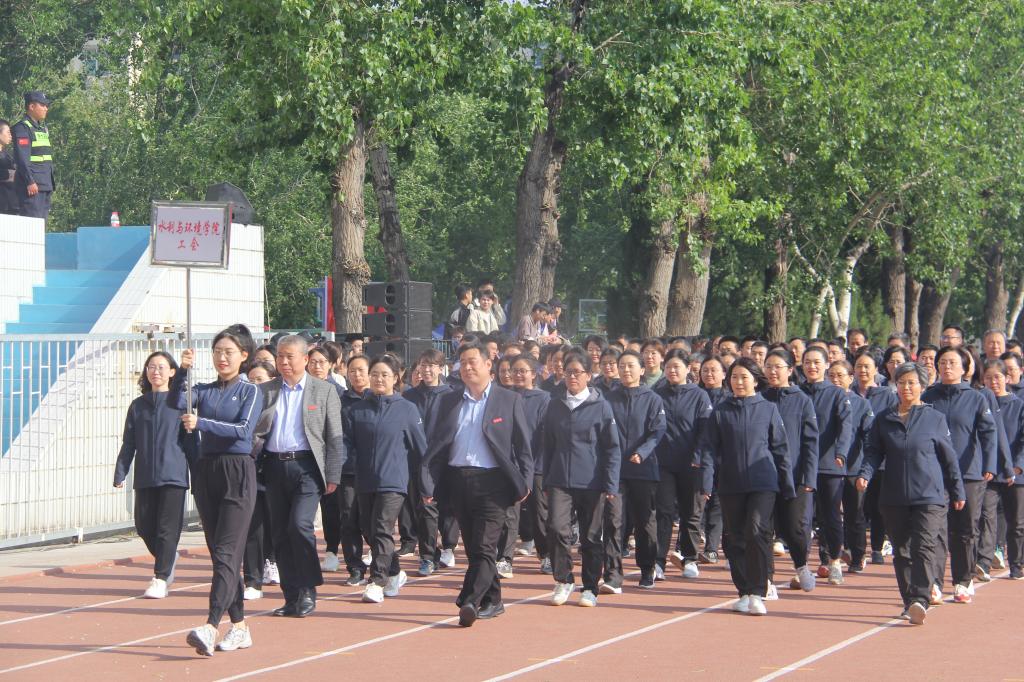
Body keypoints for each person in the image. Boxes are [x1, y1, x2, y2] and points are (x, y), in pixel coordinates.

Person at [420, 342, 533, 627]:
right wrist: (429, 481)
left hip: (494, 483)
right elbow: (437, 445)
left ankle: (469, 600)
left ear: (488, 364)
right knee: (473, 547)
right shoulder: (449, 400)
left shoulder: (508, 399)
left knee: (484, 545)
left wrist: (526, 482)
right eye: (463, 362)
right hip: (458, 480)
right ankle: (494, 600)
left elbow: (523, 447)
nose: (467, 367)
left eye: (473, 361)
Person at [856, 363, 966, 625]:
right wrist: (865, 474)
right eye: (902, 382)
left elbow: (949, 458)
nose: (906, 387)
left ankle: (920, 598)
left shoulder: (934, 418)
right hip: (894, 496)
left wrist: (957, 489)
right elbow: (873, 452)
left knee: (924, 547)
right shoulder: (883, 419)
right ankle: (910, 602)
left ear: (922, 386)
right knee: (902, 551)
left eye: (912, 382)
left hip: (929, 496)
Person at [176, 327, 263, 656]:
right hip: (207, 472)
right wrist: (182, 372)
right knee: (221, 556)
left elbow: (243, 431)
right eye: (217, 352)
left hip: (237, 472)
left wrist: (202, 424)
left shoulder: (250, 391)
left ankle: (210, 625)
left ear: (244, 356)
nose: (222, 358)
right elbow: (176, 402)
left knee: (227, 553)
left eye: (229, 352)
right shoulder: (203, 390)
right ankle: (239, 627)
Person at [254, 335, 344, 618]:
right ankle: (291, 596)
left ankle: (308, 589)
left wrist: (333, 474)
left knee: (300, 525)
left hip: (307, 467)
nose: (283, 361)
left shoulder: (324, 391)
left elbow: (334, 436)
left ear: (305, 359)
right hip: (273, 466)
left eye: (289, 356)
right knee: (280, 532)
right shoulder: (265, 390)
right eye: (279, 356)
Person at [705, 357, 794, 616]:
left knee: (756, 530)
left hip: (762, 482)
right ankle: (743, 591)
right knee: (734, 537)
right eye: (734, 377)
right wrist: (707, 481)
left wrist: (787, 484)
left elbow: (780, 449)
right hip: (731, 484)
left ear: (755, 380)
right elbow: (709, 449)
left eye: (744, 377)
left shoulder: (768, 409)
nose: (739, 382)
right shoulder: (720, 411)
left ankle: (758, 590)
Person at [345, 355, 427, 603]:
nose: (379, 379)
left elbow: (420, 449)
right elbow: (346, 445)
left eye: (384, 375)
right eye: (375, 374)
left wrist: (425, 484)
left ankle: (376, 581)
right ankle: (394, 572)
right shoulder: (356, 410)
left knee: (382, 527)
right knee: (369, 530)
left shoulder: (407, 409)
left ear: (395, 378)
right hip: (365, 480)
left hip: (393, 480)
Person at [542, 350, 621, 607]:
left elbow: (612, 448)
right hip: (559, 480)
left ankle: (590, 587)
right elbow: (548, 445)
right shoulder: (555, 405)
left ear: (589, 375)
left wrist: (610, 483)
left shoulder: (601, 406)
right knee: (556, 528)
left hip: (592, 482)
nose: (572, 377)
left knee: (591, 536)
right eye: (568, 372)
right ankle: (564, 579)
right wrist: (546, 478)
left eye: (577, 372)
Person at [921, 346, 999, 604]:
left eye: (952, 363)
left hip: (969, 473)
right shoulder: (928, 396)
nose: (946, 367)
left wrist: (989, 464)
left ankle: (963, 581)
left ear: (965, 368)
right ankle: (933, 582)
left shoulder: (976, 398)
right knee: (935, 529)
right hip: (936, 473)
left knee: (965, 529)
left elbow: (989, 433)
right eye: (942, 362)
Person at [114, 351, 190, 600]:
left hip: (174, 475)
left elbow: (191, 441)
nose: (155, 371)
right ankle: (168, 557)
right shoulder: (138, 405)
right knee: (144, 526)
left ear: (172, 372)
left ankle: (160, 578)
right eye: (151, 367)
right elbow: (129, 442)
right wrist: (121, 471)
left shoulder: (180, 403)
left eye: (161, 367)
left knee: (167, 529)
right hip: (146, 475)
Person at [603, 350, 666, 590]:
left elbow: (658, 430)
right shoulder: (608, 399)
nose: (626, 370)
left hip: (643, 469)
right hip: (614, 470)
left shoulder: (653, 399)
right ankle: (612, 574)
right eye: (622, 366)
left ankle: (647, 568)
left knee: (644, 521)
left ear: (641, 370)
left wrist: (643, 452)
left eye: (631, 366)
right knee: (613, 520)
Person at [654, 349, 713, 580]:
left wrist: (698, 457)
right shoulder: (657, 393)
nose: (672, 371)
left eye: (677, 366)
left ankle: (690, 558)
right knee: (664, 512)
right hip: (664, 464)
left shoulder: (700, 396)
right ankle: (658, 561)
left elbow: (705, 431)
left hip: (692, 464)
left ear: (688, 368)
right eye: (668, 367)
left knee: (691, 513)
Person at [762, 349, 818, 594]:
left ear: (790, 370)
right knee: (763, 528)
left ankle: (801, 565)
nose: (772, 371)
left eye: (778, 367)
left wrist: (809, 477)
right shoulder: (760, 398)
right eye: (768, 366)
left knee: (795, 528)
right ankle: (766, 578)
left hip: (795, 476)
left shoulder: (802, 400)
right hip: (764, 476)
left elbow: (810, 442)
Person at [801, 345, 853, 585]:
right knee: (803, 518)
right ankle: (802, 564)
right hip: (801, 465)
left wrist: (841, 452)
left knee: (830, 515)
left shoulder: (836, 394)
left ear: (825, 365)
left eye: (816, 362)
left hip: (829, 463)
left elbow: (845, 427)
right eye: (807, 362)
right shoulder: (797, 392)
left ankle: (833, 560)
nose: (812, 366)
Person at [403, 349, 458, 577]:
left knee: (448, 506)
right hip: (418, 460)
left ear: (440, 368)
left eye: (431, 365)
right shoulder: (409, 396)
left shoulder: (451, 395)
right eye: (423, 365)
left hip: (445, 459)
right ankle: (427, 556)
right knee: (424, 508)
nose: (426, 370)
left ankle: (449, 545)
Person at [978, 358, 1023, 580]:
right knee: (987, 517)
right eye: (988, 378)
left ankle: (1016, 563)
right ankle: (984, 562)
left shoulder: (1018, 405)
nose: (993, 382)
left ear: (1007, 378)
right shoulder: (980, 404)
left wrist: (1017, 467)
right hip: (989, 472)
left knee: (1017, 521)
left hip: (1016, 474)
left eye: (997, 377)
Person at [828, 360, 874, 573]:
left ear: (850, 378)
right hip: (828, 467)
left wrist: (865, 468)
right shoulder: (823, 401)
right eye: (831, 375)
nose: (835, 380)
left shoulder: (861, 404)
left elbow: (868, 437)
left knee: (855, 514)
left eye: (840, 375)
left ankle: (857, 554)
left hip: (853, 467)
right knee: (829, 514)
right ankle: (830, 556)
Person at [507, 355, 552, 572]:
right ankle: (505, 558)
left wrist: (533, 463)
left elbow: (545, 434)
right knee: (509, 513)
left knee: (539, 513)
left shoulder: (544, 399)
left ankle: (546, 555)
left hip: (536, 465)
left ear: (533, 374)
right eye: (514, 370)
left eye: (523, 371)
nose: (518, 375)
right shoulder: (505, 396)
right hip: (510, 465)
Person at [242, 361, 279, 599]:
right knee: (252, 526)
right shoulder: (243, 404)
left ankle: (273, 561)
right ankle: (252, 581)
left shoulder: (281, 404)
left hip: (275, 470)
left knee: (275, 523)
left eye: (260, 379)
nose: (255, 384)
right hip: (248, 470)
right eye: (251, 380)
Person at [338, 355, 371, 584]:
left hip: (374, 471)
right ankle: (355, 567)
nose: (357, 375)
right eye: (352, 371)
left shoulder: (379, 399)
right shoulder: (340, 401)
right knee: (348, 519)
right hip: (348, 470)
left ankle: (384, 566)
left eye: (361, 370)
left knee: (373, 523)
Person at [11, 92, 55, 221]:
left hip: (45, 184)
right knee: (32, 225)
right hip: (33, 186)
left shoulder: (41, 128)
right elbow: (22, 158)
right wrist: (29, 181)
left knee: (41, 226)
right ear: (31, 106)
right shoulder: (22, 128)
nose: (46, 108)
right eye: (42, 105)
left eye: (47, 106)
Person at [0, 120, 17, 214]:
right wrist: (9, 174)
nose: (11, 136)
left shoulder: (8, 155)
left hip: (12, 202)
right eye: (8, 132)